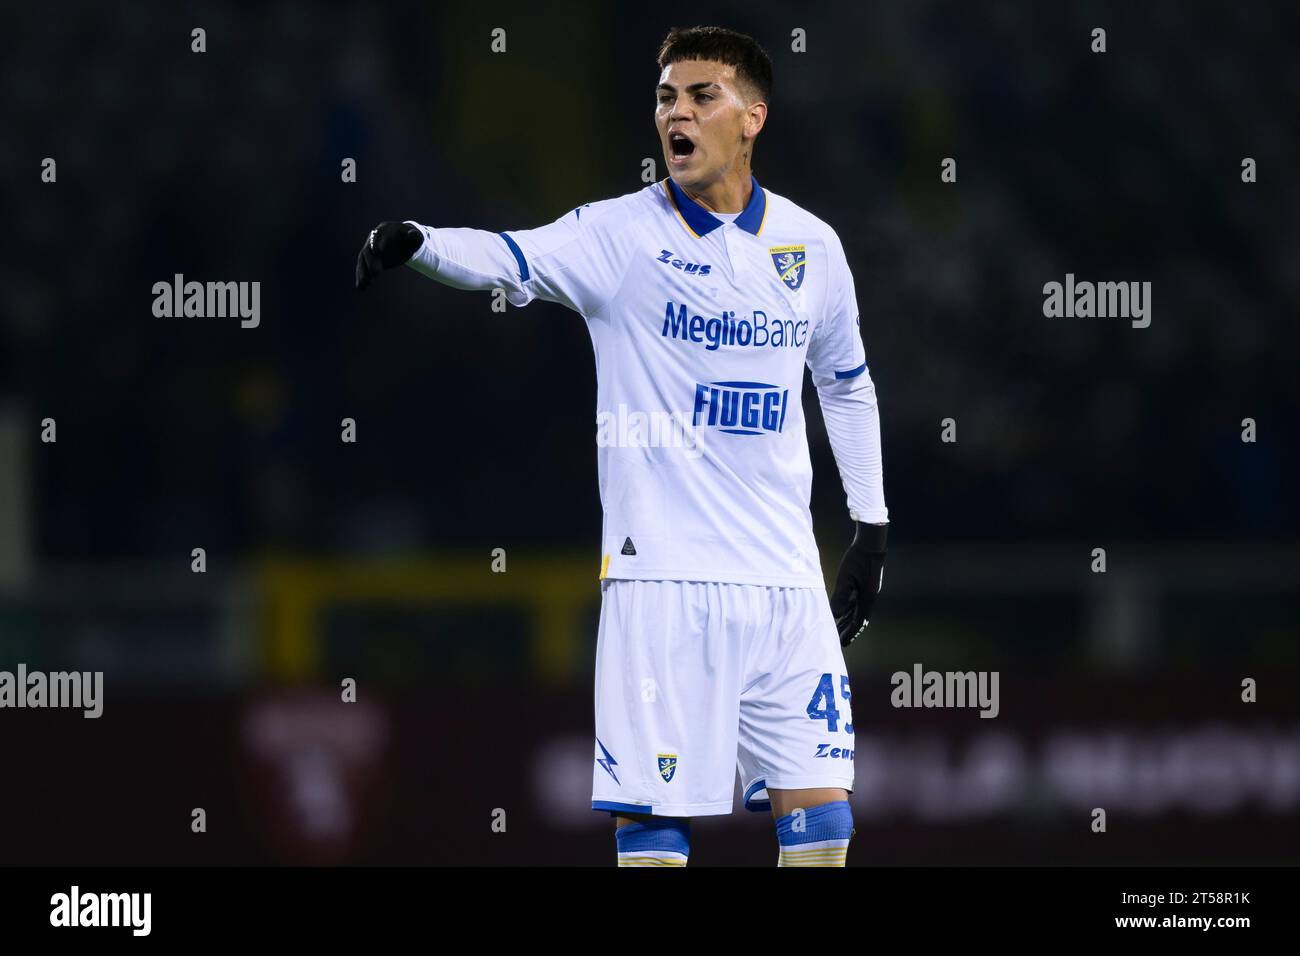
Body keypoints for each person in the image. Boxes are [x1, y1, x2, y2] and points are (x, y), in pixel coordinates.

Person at [356, 25, 888, 867]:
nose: (677, 112)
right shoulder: (619, 236)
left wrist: (871, 528)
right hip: (661, 581)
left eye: (700, 95)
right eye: (665, 97)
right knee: (653, 825)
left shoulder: (813, 247)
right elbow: (511, 257)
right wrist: (421, 243)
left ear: (752, 116)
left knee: (824, 820)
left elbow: (847, 383)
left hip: (787, 583)